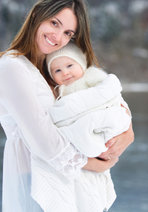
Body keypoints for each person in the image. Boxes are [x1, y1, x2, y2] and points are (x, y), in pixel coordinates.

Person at [0, 0, 134, 212]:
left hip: (73, 183)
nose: (59, 37)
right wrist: (93, 164)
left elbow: (102, 96)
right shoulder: (12, 68)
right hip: (35, 181)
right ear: (37, 14)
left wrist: (127, 131)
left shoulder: (58, 66)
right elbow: (42, 138)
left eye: (68, 33)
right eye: (54, 23)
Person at [45, 43, 132, 212]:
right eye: (57, 71)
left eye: (70, 65)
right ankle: (94, 149)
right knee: (79, 132)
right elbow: (64, 116)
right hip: (81, 129)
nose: (65, 72)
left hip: (101, 120)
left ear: (81, 64)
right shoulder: (60, 91)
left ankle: (99, 146)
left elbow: (110, 92)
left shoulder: (92, 77)